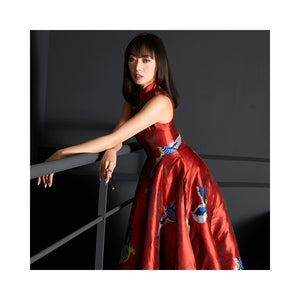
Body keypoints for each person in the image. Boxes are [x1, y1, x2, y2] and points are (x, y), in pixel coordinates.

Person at [37, 33, 243, 270]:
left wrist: (61, 154)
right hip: (157, 172)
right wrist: (112, 151)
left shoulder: (160, 101)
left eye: (146, 60)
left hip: (182, 172)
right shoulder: (135, 98)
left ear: (159, 64)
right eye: (133, 59)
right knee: (158, 242)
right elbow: (119, 134)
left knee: (192, 244)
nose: (138, 67)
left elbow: (115, 137)